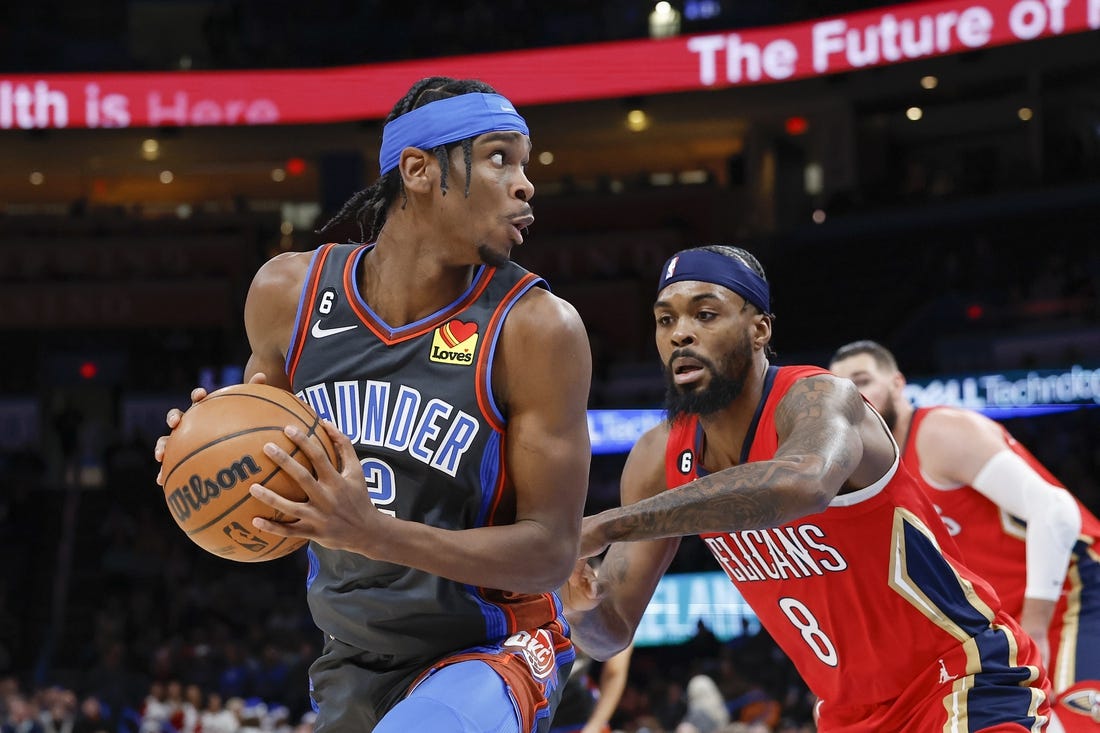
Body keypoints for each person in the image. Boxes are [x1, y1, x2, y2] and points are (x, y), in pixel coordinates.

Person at [155, 77, 593, 732]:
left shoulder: (537, 328)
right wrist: (205, 445)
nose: (525, 183)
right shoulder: (287, 295)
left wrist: (375, 534)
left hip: (494, 649)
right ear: (418, 170)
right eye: (500, 157)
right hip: (350, 657)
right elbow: (268, 482)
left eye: (526, 165)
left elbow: (551, 551)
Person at [561, 244, 1053, 732]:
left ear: (760, 329)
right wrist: (583, 606)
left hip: (960, 679)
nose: (681, 333)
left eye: (705, 314)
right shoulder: (655, 458)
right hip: (847, 713)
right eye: (665, 320)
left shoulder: (819, 398)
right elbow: (611, 634)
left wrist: (609, 525)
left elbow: (803, 483)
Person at [830, 339, 1100, 731]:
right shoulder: (870, 471)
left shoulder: (939, 431)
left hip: (1074, 592)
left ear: (898, 384)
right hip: (1004, 624)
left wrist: (1037, 625)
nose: (856, 398)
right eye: (842, 391)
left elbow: (1056, 511)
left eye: (863, 381)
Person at [548, 643, 633, 733]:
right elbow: (614, 671)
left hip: (575, 714)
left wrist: (595, 725)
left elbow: (614, 671)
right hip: (574, 712)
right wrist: (595, 725)